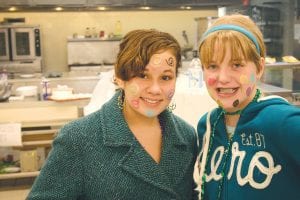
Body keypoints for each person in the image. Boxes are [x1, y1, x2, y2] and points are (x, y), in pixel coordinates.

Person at [27, 29, 199, 200]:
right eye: (143, 75)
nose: (155, 89)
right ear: (119, 77)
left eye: (166, 77)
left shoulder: (186, 136)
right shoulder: (78, 139)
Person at [194, 14, 300, 200]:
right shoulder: (207, 125)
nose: (223, 77)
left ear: (259, 68)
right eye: (212, 66)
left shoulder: (284, 122)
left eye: (236, 65)